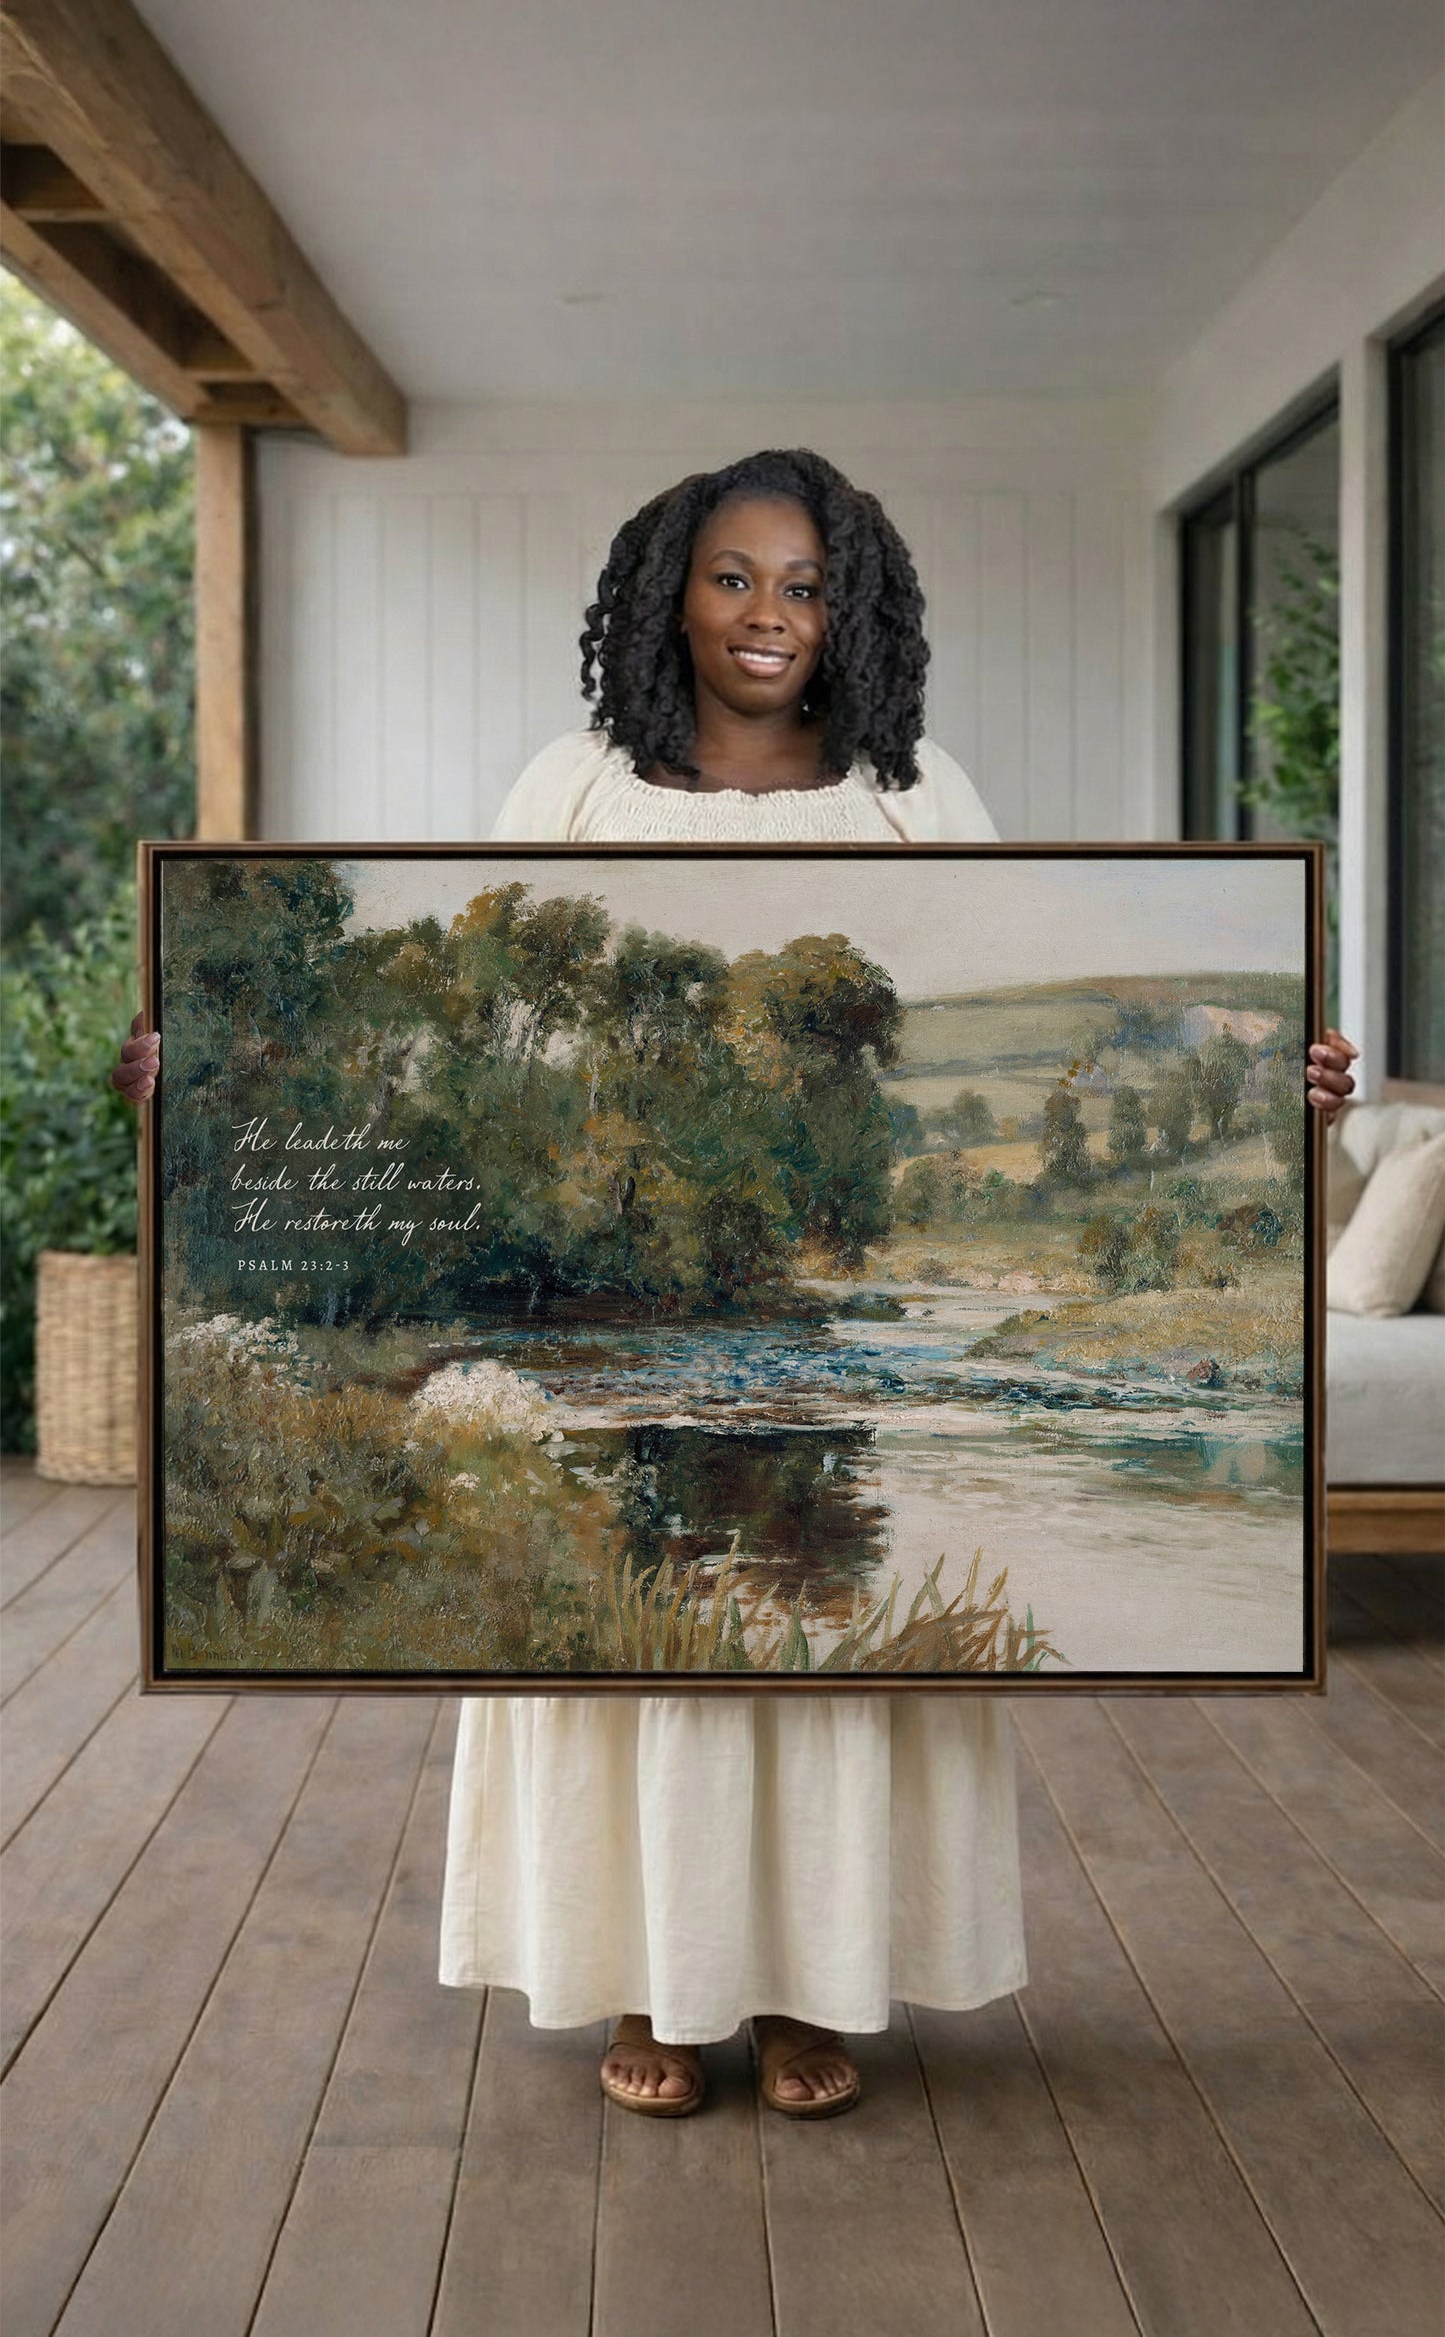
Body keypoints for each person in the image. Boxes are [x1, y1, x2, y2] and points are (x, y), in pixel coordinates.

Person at [113, 446, 1358, 2120]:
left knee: (821, 1651)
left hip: (775, 1310)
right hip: (646, 1277)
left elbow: (1061, 1029)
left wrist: (1288, 1091)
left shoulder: (917, 797)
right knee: (630, 1657)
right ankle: (645, 1979)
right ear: (667, 595)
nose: (769, 614)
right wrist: (194, 1081)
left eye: (804, 582)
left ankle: (800, 1991)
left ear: (854, 608)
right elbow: (436, 1032)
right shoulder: (570, 785)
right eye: (731, 577)